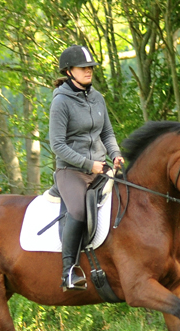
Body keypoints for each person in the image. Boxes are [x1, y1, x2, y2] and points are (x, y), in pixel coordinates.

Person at [49, 45, 125, 291]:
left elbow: (108, 132)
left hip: (100, 168)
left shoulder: (97, 98)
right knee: (80, 211)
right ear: (70, 71)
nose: (89, 71)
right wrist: (87, 164)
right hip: (71, 172)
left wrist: (115, 154)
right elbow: (57, 145)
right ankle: (68, 271)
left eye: (90, 67)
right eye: (84, 68)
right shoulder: (61, 102)